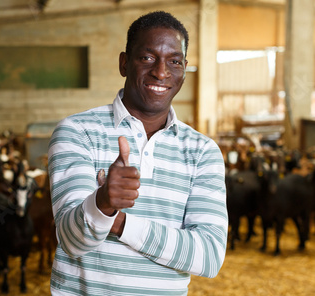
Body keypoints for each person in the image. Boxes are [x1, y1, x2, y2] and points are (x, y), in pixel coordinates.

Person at [47, 11, 227, 295]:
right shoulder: (77, 132)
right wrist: (103, 203)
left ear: (184, 69)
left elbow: (209, 257)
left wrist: (118, 222)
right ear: (124, 63)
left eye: (174, 61)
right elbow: (72, 241)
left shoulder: (203, 152)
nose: (161, 72)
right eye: (147, 58)